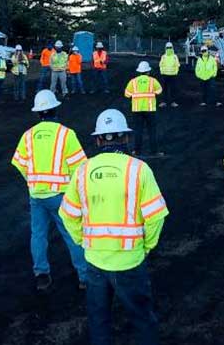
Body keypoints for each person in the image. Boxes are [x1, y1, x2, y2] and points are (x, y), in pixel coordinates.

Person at [60, 109, 169, 345]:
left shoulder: (82, 171)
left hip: (96, 260)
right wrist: (147, 245)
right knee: (142, 319)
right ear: (126, 138)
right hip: (130, 260)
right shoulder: (139, 169)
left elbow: (67, 214)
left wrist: (82, 240)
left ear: (98, 140)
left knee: (99, 321)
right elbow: (155, 216)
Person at [11, 90, 88, 290]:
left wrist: (32, 180)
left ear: (38, 113)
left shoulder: (28, 135)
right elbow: (79, 168)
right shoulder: (66, 134)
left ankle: (41, 274)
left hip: (36, 194)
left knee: (38, 235)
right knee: (72, 234)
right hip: (61, 195)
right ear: (55, 109)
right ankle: (84, 276)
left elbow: (19, 163)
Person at [124, 61, 164, 157]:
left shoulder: (133, 82)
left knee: (138, 131)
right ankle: (154, 152)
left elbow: (127, 94)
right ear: (148, 71)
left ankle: (137, 151)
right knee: (152, 131)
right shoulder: (152, 81)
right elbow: (159, 91)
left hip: (137, 110)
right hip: (150, 109)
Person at [158, 42, 180, 108]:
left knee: (173, 89)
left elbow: (177, 65)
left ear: (172, 48)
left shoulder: (175, 56)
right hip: (165, 75)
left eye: (170, 47)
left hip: (173, 75)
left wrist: (176, 72)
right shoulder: (163, 56)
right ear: (165, 48)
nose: (169, 49)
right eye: (168, 48)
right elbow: (160, 65)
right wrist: (162, 72)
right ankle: (164, 102)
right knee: (164, 89)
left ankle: (173, 102)